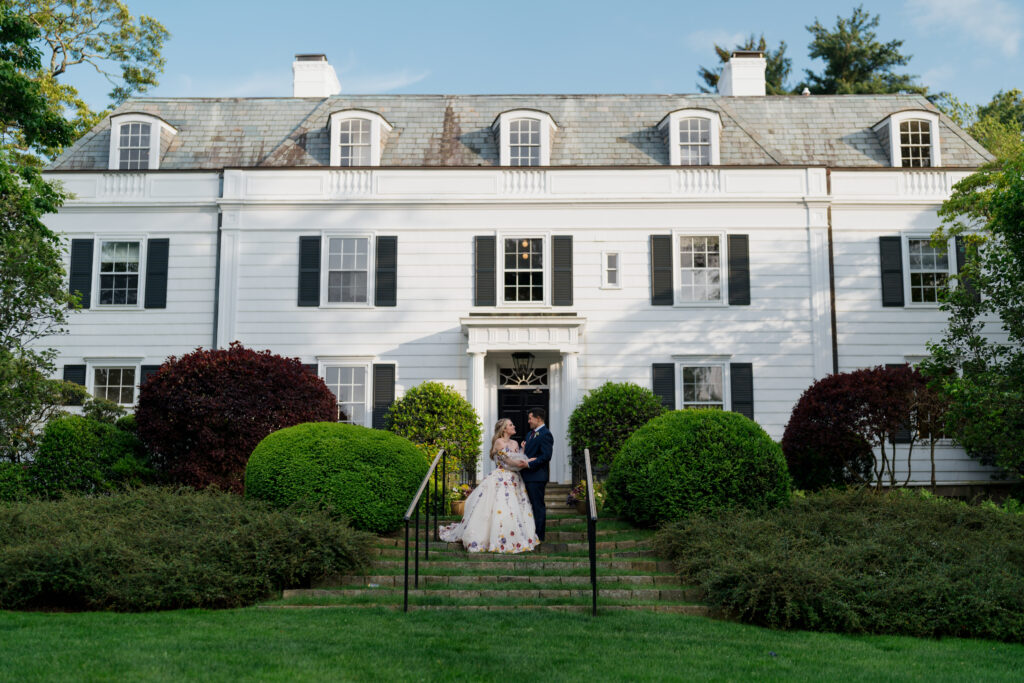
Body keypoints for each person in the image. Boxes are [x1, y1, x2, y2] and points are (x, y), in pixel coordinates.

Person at [438, 418, 539, 553]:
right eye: (511, 425)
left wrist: (523, 451)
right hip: (502, 478)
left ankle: (515, 536)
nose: (514, 426)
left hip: (515, 479)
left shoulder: (515, 442)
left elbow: (517, 457)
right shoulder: (499, 442)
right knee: (501, 506)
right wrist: (526, 462)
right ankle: (496, 538)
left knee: (515, 508)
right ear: (504, 429)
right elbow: (508, 461)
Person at [520, 408, 553, 542]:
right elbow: (529, 454)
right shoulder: (529, 434)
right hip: (526, 476)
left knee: (537, 506)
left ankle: (539, 536)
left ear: (538, 418)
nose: (528, 421)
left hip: (537, 477)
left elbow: (546, 456)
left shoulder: (546, 434)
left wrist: (528, 464)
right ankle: (529, 533)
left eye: (530, 418)